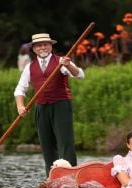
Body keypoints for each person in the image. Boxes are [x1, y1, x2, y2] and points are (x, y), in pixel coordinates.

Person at [14, 33, 85, 176]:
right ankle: (52, 178)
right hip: (41, 107)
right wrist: (20, 106)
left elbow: (80, 75)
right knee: (46, 144)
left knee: (65, 142)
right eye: (39, 45)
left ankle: (70, 177)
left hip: (61, 105)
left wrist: (69, 66)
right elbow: (20, 89)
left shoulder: (62, 61)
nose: (42, 47)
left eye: (45, 44)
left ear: (51, 46)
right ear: (34, 48)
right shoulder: (30, 67)